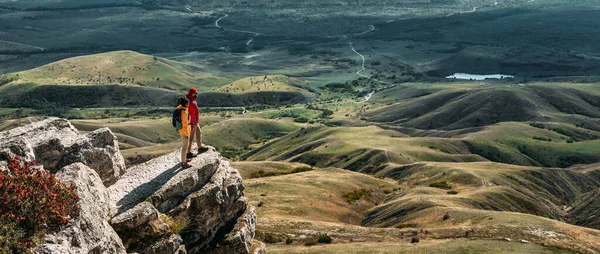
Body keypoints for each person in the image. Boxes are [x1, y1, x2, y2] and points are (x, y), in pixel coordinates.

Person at [186, 87, 207, 158]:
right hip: (191, 123)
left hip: (194, 122)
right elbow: (191, 114)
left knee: (199, 132)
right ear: (192, 93)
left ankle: (200, 147)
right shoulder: (190, 102)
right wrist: (193, 123)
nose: (196, 94)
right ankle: (188, 153)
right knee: (191, 138)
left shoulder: (192, 100)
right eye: (195, 93)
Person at [176, 97, 192, 168]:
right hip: (184, 131)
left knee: (185, 146)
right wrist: (186, 134)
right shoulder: (184, 112)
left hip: (182, 130)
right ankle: (183, 163)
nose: (189, 104)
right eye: (188, 103)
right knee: (185, 147)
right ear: (185, 104)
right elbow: (185, 123)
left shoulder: (180, 109)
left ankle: (184, 159)